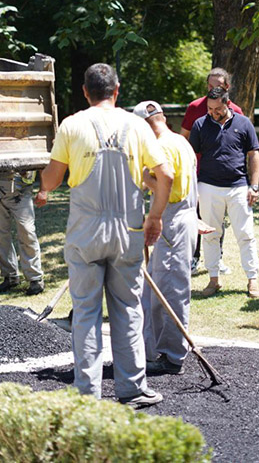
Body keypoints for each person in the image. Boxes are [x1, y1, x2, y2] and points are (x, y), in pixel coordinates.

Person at [35, 63, 173, 407]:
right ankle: (132, 388)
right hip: (128, 231)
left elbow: (50, 180)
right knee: (128, 309)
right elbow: (166, 175)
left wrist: (43, 185)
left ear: (85, 92)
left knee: (85, 312)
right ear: (117, 90)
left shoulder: (72, 124)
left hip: (85, 231)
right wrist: (154, 217)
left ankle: (87, 393)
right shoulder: (136, 125)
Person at [133, 100, 198, 375]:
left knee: (169, 290)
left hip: (171, 220)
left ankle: (172, 356)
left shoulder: (160, 146)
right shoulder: (181, 141)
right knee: (161, 288)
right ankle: (158, 349)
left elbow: (167, 181)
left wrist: (145, 178)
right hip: (182, 216)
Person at [189, 86, 259, 298]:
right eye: (210, 108)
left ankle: (252, 279)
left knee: (245, 234)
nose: (213, 112)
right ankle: (213, 279)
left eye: (217, 108)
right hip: (208, 186)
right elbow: (191, 156)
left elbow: (254, 155)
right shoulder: (200, 124)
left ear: (227, 104)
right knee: (210, 234)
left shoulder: (243, 123)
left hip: (239, 186)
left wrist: (254, 186)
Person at [181, 67, 243, 275]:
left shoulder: (236, 111)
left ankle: (218, 258)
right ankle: (193, 257)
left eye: (217, 86)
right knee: (195, 215)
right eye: (209, 86)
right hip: (197, 172)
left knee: (217, 218)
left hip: (222, 177)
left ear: (227, 88)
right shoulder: (195, 107)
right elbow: (183, 139)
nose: (212, 89)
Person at [0, 172, 45, 295]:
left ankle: (35, 278)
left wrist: (43, 190)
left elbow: (41, 166)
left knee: (27, 232)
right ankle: (10, 277)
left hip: (21, 190)